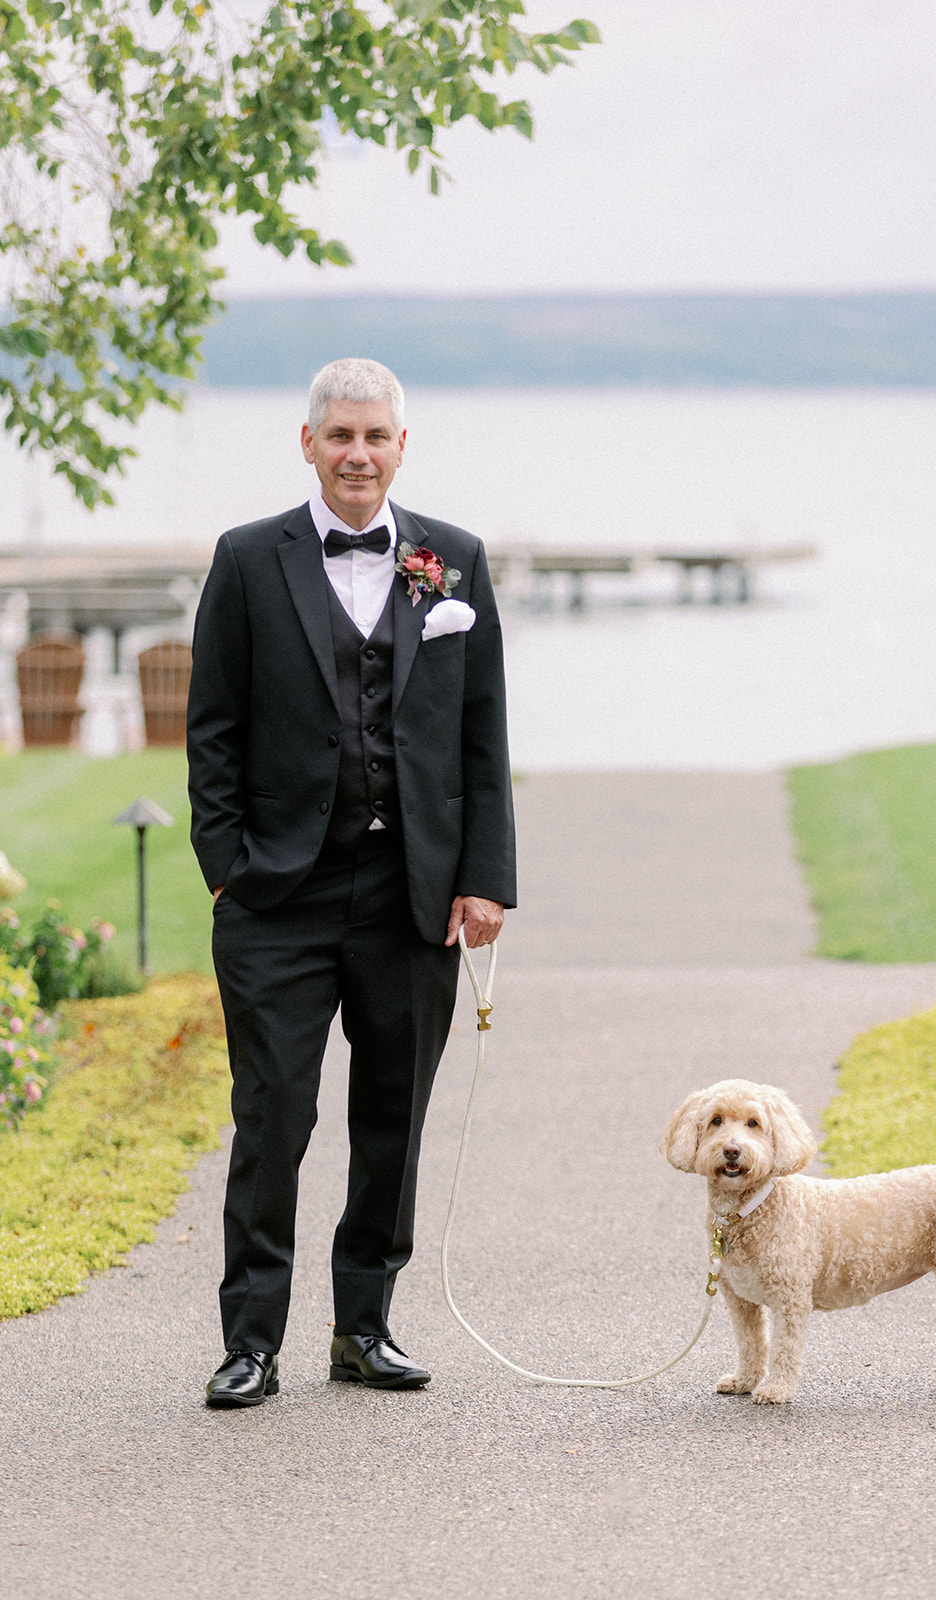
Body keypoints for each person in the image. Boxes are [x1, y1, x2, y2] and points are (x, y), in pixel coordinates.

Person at [186, 357, 516, 1408]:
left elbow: (481, 734)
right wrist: (227, 871)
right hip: (276, 900)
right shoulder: (246, 560)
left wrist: (485, 879)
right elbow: (214, 730)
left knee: (390, 1118)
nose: (359, 455)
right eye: (342, 438)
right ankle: (251, 1342)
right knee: (273, 1117)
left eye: (377, 438)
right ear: (309, 443)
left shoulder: (451, 561)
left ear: (402, 447)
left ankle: (363, 1327)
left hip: (410, 896)